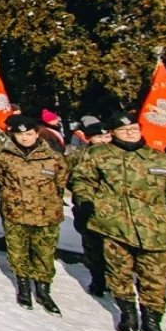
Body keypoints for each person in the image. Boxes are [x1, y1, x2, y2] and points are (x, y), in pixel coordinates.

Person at [71, 113, 166, 331]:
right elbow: (82, 181)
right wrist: (87, 203)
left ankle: (152, 322)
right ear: (113, 132)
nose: (130, 132)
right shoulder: (98, 156)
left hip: (156, 230)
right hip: (115, 227)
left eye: (134, 128)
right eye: (124, 129)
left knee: (155, 281)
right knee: (119, 274)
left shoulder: (159, 158)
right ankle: (128, 315)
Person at [0, 115, 67, 316]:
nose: (25, 138)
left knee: (44, 255)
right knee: (17, 252)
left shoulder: (53, 158)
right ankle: (23, 288)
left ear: (37, 133)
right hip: (15, 213)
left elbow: (60, 183)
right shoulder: (4, 157)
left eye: (29, 134)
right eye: (20, 135)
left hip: (45, 215)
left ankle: (43, 292)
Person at [67, 121, 111, 296]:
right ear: (89, 138)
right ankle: (98, 279)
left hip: (117, 213)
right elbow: (67, 178)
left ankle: (115, 281)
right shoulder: (77, 157)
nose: (103, 140)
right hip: (88, 209)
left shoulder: (121, 156)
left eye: (107, 136)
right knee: (93, 247)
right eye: (99, 137)